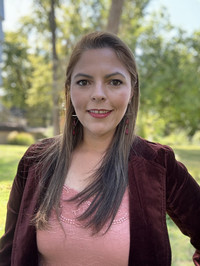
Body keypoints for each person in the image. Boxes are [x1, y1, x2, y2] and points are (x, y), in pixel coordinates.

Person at [0, 31, 200, 266]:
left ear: (132, 89)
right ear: (69, 88)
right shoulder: (35, 162)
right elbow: (9, 254)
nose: (98, 95)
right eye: (84, 82)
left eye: (114, 82)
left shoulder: (157, 164)